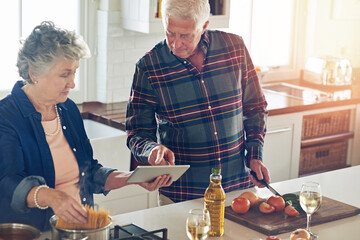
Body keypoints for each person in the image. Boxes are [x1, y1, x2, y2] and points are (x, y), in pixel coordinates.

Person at [0, 21, 172, 231]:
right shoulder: (6, 116)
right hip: (35, 233)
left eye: (74, 72)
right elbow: (7, 183)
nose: (72, 83)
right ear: (34, 72)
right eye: (64, 74)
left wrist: (133, 178)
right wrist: (52, 197)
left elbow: (89, 172)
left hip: (81, 231)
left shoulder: (68, 110)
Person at [126, 0, 270, 205]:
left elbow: (255, 108)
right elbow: (136, 133)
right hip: (183, 196)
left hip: (237, 190)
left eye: (185, 35)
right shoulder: (148, 67)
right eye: (170, 33)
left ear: (204, 26)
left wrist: (255, 154)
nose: (175, 44)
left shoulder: (234, 48)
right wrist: (151, 150)